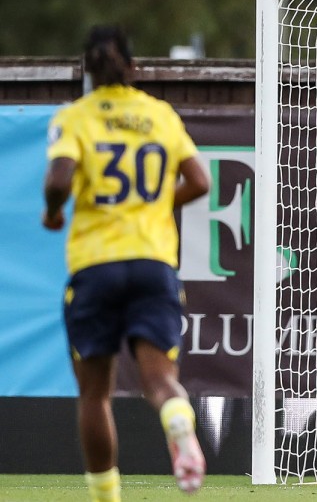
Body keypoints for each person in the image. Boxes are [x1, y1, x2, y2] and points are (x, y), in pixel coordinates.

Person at [42, 25, 209, 501]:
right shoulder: (159, 115)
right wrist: (155, 206)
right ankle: (178, 422)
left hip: (96, 264)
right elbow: (199, 182)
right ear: (133, 67)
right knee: (160, 379)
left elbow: (58, 179)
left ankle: (107, 498)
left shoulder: (76, 116)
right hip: (152, 263)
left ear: (86, 72)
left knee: (95, 394)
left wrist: (54, 212)